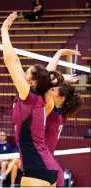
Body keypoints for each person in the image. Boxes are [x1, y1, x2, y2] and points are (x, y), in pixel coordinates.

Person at [1, 12, 64, 187]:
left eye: (26, 72)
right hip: (48, 168)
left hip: (37, 168)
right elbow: (44, 73)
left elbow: (9, 59)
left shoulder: (29, 97)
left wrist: (4, 29)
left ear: (31, 82)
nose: (22, 72)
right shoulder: (41, 99)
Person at [45, 49, 84, 186]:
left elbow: (45, 78)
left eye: (55, 88)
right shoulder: (61, 112)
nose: (52, 87)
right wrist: (60, 53)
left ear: (61, 98)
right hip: (52, 165)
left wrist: (59, 53)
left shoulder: (52, 111)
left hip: (45, 165)